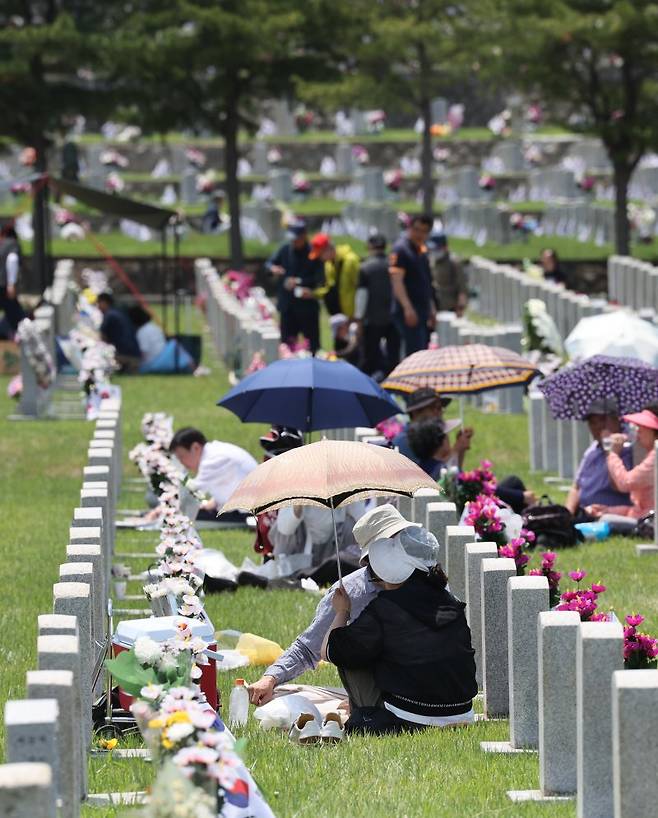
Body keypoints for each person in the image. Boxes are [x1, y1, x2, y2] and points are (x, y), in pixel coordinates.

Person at [248, 504, 440, 706]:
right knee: (284, 696)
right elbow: (307, 648)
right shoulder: (350, 591)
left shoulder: (423, 576)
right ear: (372, 556)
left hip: (423, 691)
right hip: (378, 694)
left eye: (401, 540)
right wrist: (269, 679)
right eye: (390, 544)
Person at [321, 529, 477, 735]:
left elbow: (331, 650)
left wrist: (342, 611)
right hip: (462, 711)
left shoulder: (386, 607)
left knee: (350, 647)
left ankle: (365, 711)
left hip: (413, 716)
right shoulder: (450, 601)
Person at [170, 427, 258, 523]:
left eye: (182, 457)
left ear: (195, 447)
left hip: (250, 512)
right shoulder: (215, 451)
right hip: (251, 505)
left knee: (182, 516)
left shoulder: (211, 461)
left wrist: (166, 507)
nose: (182, 462)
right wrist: (214, 502)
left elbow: (191, 493)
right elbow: (227, 484)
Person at [565, 401, 633, 519]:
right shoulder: (592, 449)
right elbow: (576, 487)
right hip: (583, 511)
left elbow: (620, 486)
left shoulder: (629, 449)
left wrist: (611, 452)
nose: (597, 427)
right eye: (592, 422)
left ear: (616, 420)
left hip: (607, 513)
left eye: (602, 420)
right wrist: (567, 515)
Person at [265, 220, 324, 354]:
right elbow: (269, 264)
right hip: (288, 306)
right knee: (287, 345)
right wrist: (273, 269)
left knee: (312, 346)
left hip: (307, 307)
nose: (294, 242)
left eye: (296, 239)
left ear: (304, 236)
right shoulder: (285, 249)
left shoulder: (313, 253)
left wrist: (299, 282)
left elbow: (319, 278)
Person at [596, 409, 658, 519]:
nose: (637, 431)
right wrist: (607, 510)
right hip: (644, 516)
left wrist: (613, 454)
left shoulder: (655, 456)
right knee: (603, 516)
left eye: (642, 427)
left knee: (606, 521)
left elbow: (625, 483)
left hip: (650, 522)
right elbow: (638, 508)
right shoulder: (652, 453)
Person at [389, 214, 436, 355]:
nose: (419, 234)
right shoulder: (401, 249)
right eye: (416, 229)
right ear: (409, 228)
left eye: (424, 231)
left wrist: (431, 308)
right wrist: (407, 308)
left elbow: (426, 282)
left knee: (422, 349)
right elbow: (397, 281)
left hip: (421, 309)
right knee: (414, 353)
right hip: (408, 311)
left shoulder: (421, 250)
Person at [354, 233, 400, 378]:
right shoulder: (393, 265)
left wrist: (359, 319)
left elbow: (362, 297)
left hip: (372, 318)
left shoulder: (365, 268)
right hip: (393, 317)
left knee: (369, 356)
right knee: (393, 356)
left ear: (369, 246)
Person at [392, 387, 473, 469]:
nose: (439, 413)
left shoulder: (435, 435)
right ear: (416, 412)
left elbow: (452, 472)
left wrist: (460, 450)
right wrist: (456, 450)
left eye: (441, 408)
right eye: (434, 408)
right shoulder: (404, 441)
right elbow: (429, 477)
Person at [311, 233, 360, 317]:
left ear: (328, 249)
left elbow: (360, 288)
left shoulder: (351, 260)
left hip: (354, 315)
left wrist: (358, 316)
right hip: (340, 316)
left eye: (320, 254)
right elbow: (330, 288)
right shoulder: (328, 265)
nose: (320, 258)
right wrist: (313, 294)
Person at [97, 292, 142, 373]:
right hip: (135, 355)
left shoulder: (109, 315)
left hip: (126, 357)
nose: (98, 307)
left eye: (99, 303)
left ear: (104, 302)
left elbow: (102, 337)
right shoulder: (119, 312)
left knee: (98, 357)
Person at [427, 232, 468, 316]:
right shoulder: (431, 261)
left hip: (450, 306)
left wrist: (460, 307)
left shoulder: (453, 262)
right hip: (434, 306)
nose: (434, 251)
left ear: (445, 247)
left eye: (437, 248)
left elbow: (462, 286)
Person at [0, 224, 26, 333]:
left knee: (12, 308)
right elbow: (12, 259)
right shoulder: (13, 244)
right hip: (5, 284)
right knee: (13, 310)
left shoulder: (5, 245)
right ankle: (22, 329)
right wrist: (11, 283)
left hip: (2, 283)